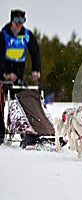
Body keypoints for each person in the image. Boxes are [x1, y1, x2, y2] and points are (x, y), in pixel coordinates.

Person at [0, 9, 41, 145]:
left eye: (22, 21)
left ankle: (27, 131)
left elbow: (35, 53)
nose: (19, 24)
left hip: (18, 71)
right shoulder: (3, 34)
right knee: (1, 101)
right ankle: (1, 133)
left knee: (21, 101)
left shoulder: (27, 35)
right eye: (16, 21)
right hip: (4, 69)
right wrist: (5, 75)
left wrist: (36, 70)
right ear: (12, 21)